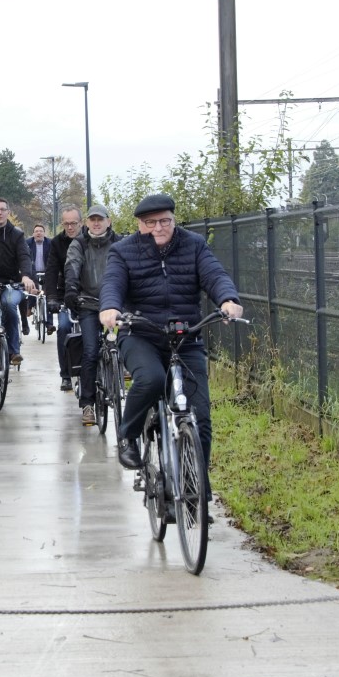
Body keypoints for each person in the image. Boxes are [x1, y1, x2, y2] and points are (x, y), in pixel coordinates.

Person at [99, 193, 243, 477]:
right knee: (151, 378)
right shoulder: (123, 251)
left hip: (185, 335)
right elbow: (113, 282)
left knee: (200, 418)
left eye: (165, 221)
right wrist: (111, 308)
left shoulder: (194, 245)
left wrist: (227, 299)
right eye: (150, 222)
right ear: (140, 224)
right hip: (141, 334)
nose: (158, 228)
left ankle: (196, 491)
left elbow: (214, 275)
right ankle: (128, 436)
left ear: (174, 221)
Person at [64, 205, 121, 427]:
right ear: (87, 223)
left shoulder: (119, 243)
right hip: (89, 303)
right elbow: (73, 265)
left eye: (100, 219)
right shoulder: (79, 243)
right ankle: (87, 403)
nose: (96, 224)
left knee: (122, 340)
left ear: (108, 221)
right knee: (89, 351)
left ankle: (120, 370)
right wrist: (71, 288)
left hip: (114, 304)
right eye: (92, 220)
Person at [0, 197, 36, 366]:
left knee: (9, 305)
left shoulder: (17, 234)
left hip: (12, 284)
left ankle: (13, 351)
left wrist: (25, 275)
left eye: (3, 209)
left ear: (8, 212)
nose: (0, 212)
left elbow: (24, 256)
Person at [44, 205, 83, 390]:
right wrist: (51, 297)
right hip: (65, 294)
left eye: (73, 223)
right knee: (64, 328)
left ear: (81, 223)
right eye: (66, 223)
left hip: (89, 294)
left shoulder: (88, 240)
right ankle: (66, 374)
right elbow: (51, 271)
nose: (70, 227)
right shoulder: (57, 243)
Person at [22, 223, 50, 335]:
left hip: (46, 271)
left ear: (44, 233)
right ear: (33, 234)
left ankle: (49, 324)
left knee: (48, 295)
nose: (38, 233)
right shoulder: (27, 243)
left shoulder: (50, 243)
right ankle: (30, 306)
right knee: (33, 288)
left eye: (41, 231)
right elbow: (26, 260)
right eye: (36, 231)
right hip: (32, 271)